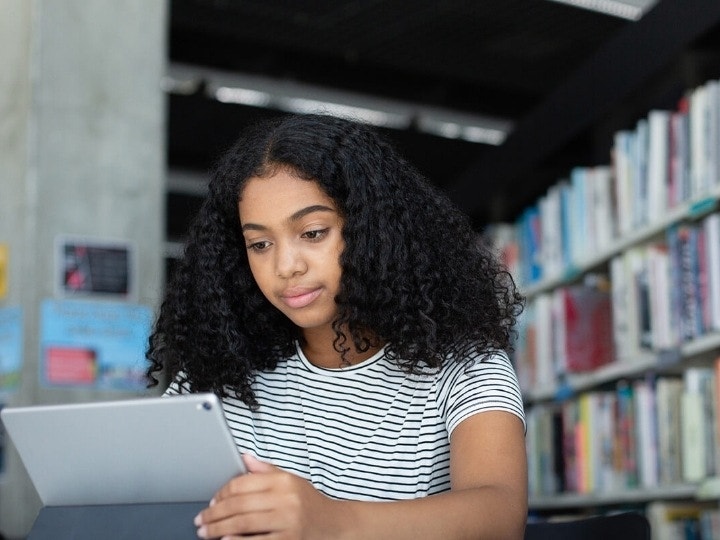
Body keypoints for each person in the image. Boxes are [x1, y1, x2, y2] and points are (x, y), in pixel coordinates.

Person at [146, 113, 527, 539]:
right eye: (260, 244)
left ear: (373, 230)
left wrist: (332, 522)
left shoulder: (465, 366)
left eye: (312, 232)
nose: (285, 266)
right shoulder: (216, 373)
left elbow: (500, 515)